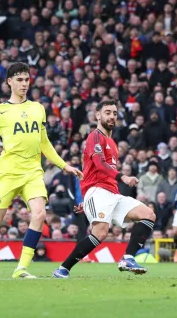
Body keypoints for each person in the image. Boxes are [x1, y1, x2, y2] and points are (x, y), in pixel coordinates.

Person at [0, 62, 83, 278]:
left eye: (27, 79)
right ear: (9, 82)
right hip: (7, 173)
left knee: (39, 213)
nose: (24, 84)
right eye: (19, 79)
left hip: (33, 172)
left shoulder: (38, 108)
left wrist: (65, 166)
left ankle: (21, 268)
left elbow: (44, 143)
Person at [53, 99, 156, 278]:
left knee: (148, 215)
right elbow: (99, 164)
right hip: (97, 190)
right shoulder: (95, 136)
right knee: (100, 233)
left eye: (115, 113)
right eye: (107, 112)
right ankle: (63, 269)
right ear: (98, 115)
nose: (112, 116)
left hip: (112, 193)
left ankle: (128, 258)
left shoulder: (112, 143)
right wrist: (122, 177)